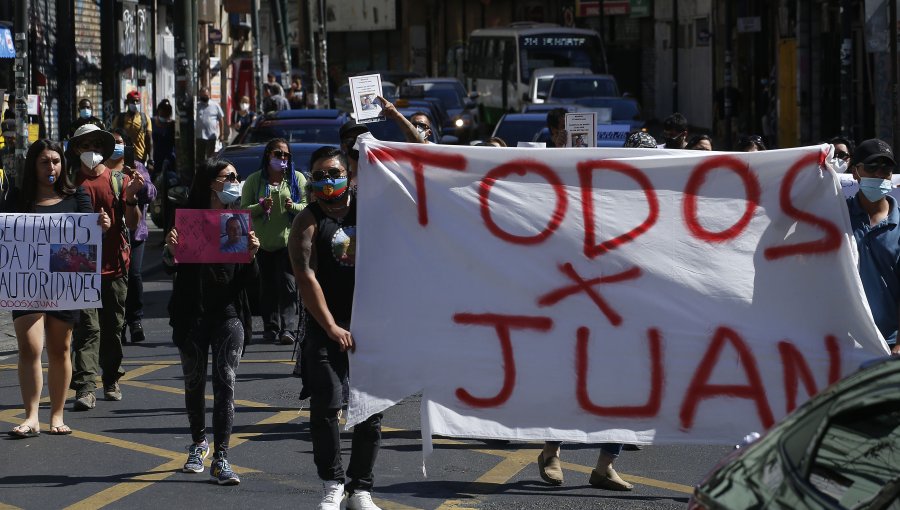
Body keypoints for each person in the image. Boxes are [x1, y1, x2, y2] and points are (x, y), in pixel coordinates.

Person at [289, 146, 383, 510]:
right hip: (325, 327)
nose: (328, 181)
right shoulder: (307, 220)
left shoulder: (370, 209)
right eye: (319, 175)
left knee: (370, 410)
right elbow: (304, 275)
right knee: (327, 406)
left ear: (349, 173)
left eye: (334, 172)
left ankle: (361, 489)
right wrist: (330, 326)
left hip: (372, 326)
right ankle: (332, 485)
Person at [4, 139, 110, 438]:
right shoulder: (17, 198)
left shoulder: (77, 197)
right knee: (29, 347)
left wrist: (101, 225)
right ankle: (31, 416)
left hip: (65, 281)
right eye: (44, 162)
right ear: (33, 165)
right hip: (26, 281)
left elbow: (91, 238)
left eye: (56, 161)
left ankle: (57, 414)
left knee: (61, 348)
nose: (51, 167)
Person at [165, 158, 260, 485]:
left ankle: (222, 457)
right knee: (194, 382)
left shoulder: (239, 221)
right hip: (193, 312)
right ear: (211, 182)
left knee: (226, 383)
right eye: (229, 177)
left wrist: (252, 254)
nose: (235, 181)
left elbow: (251, 280)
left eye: (237, 176)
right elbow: (172, 267)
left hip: (228, 313)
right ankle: (198, 443)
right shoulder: (189, 219)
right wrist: (171, 250)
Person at [68, 124, 144, 410]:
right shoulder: (70, 184)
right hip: (80, 271)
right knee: (88, 329)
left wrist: (132, 197)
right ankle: (85, 387)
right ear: (76, 150)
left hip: (114, 267)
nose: (91, 151)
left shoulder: (117, 180)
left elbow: (134, 224)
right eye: (85, 146)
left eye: (96, 146)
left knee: (112, 328)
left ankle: (111, 377)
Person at [240, 139, 306, 345]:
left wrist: (292, 206)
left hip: (288, 243)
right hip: (262, 244)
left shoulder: (296, 179)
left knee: (288, 286)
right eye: (278, 154)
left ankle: (288, 329)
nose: (283, 158)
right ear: (268, 155)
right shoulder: (255, 180)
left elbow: (307, 206)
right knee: (266, 287)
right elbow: (242, 211)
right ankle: (271, 327)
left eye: (286, 155)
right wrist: (260, 206)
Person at [845, 138, 900, 354]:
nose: (879, 174)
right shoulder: (837, 216)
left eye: (886, 168)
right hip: (844, 344)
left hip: (888, 344)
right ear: (855, 173)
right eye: (871, 167)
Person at [109, 128, 157, 343]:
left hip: (134, 234)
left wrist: (139, 183)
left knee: (134, 276)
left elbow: (151, 194)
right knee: (116, 279)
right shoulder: (102, 169)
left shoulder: (137, 167)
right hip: (111, 234)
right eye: (112, 142)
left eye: (119, 142)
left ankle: (135, 319)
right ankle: (118, 323)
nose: (116, 146)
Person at [111, 90, 153, 166]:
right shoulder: (120, 118)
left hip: (140, 158)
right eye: (133, 101)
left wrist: (151, 158)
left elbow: (149, 139)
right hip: (123, 157)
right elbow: (113, 136)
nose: (135, 104)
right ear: (128, 102)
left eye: (137, 101)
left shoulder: (145, 118)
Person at [196, 87, 225, 160]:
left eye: (205, 95)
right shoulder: (197, 105)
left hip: (210, 136)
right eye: (202, 96)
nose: (204, 97)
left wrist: (221, 134)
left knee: (210, 157)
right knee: (200, 158)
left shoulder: (215, 105)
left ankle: (209, 170)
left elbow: (221, 119)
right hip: (199, 136)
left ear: (209, 95)